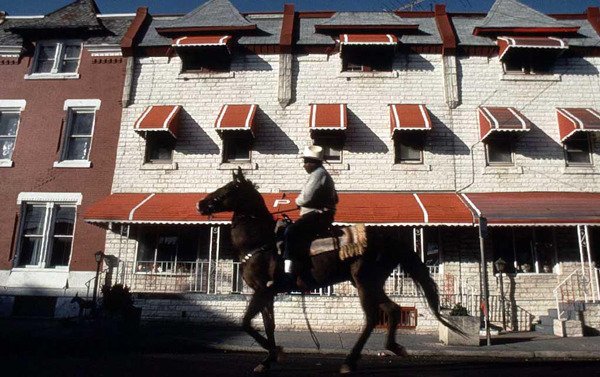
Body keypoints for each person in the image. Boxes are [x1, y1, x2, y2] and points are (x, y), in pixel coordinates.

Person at [283, 145, 339, 276]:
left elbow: (306, 197)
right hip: (322, 215)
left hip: (317, 216)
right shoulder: (323, 174)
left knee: (291, 231)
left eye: (306, 161)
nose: (304, 165)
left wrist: (298, 202)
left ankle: (289, 268)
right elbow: (335, 198)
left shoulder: (318, 174)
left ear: (314, 162)